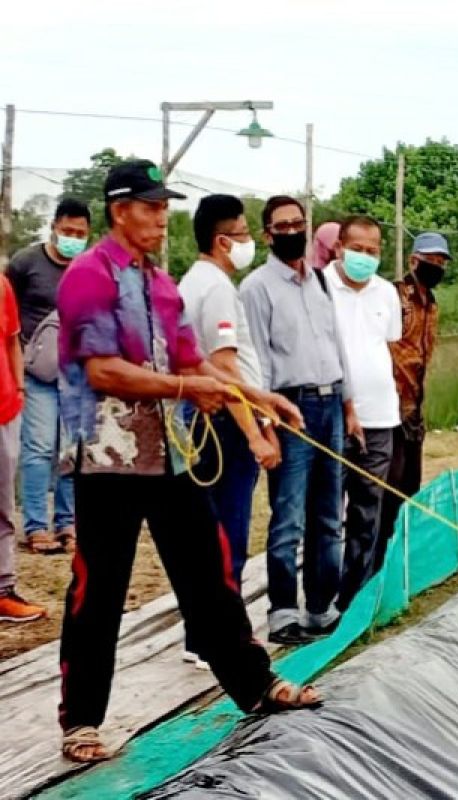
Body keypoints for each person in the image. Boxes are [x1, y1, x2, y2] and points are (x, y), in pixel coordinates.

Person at [56, 160, 318, 764]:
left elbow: (194, 362)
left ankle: (255, 686)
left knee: (210, 573)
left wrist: (257, 396)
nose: (160, 216)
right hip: (108, 456)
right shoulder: (89, 277)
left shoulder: (160, 284)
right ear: (120, 210)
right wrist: (181, 390)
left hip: (170, 455)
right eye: (150, 207)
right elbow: (102, 371)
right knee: (99, 590)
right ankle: (82, 722)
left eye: (163, 205)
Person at [241, 195, 358, 645]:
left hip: (329, 403)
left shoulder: (320, 283)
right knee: (288, 513)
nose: (292, 230)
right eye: (282, 225)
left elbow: (335, 345)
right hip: (290, 405)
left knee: (330, 513)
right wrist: (266, 422)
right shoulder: (257, 288)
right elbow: (257, 361)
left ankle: (320, 608)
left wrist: (347, 404)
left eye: (298, 222)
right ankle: (283, 612)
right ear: (268, 234)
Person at [177, 195, 281, 667]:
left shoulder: (196, 281)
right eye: (241, 234)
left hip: (211, 421)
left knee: (209, 532)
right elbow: (223, 368)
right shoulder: (216, 287)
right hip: (223, 424)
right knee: (226, 532)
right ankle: (217, 639)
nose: (248, 242)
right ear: (222, 240)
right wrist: (255, 431)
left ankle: (203, 633)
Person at [324, 216, 403, 613]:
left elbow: (387, 342)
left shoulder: (386, 293)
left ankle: (356, 597)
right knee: (326, 511)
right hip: (333, 417)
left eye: (373, 251)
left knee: (367, 510)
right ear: (339, 246)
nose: (365, 257)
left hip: (380, 416)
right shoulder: (319, 287)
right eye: (357, 249)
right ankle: (321, 597)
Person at [8, 197, 91, 555]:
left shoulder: (88, 267)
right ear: (54, 227)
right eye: (67, 230)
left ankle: (67, 522)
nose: (73, 237)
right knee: (40, 448)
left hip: (77, 375)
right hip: (37, 374)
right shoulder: (26, 263)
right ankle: (37, 525)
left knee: (73, 451)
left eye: (80, 233)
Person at [378, 232, 449, 565]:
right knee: (387, 489)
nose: (436, 266)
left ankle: (401, 557)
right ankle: (378, 559)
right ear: (413, 260)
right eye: (430, 260)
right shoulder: (394, 297)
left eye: (441, 262)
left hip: (414, 407)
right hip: (389, 405)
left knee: (410, 486)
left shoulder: (432, 303)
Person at [0, 274, 47, 623]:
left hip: (4, 410)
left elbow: (13, 341)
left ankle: (3, 590)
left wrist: (18, 390)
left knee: (2, 504)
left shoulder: (2, 286)